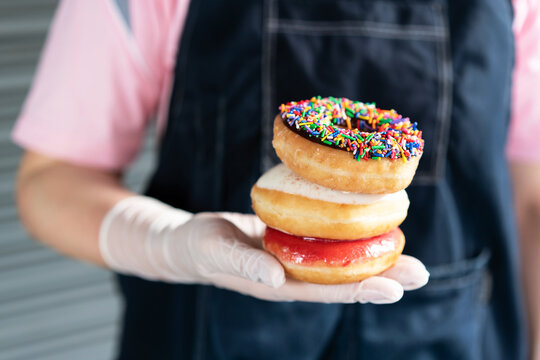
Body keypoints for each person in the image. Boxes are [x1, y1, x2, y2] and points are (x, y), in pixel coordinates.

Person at [11, 0, 540, 359]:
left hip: (454, 338)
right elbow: (51, 179)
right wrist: (161, 240)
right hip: (199, 336)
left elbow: (533, 200)